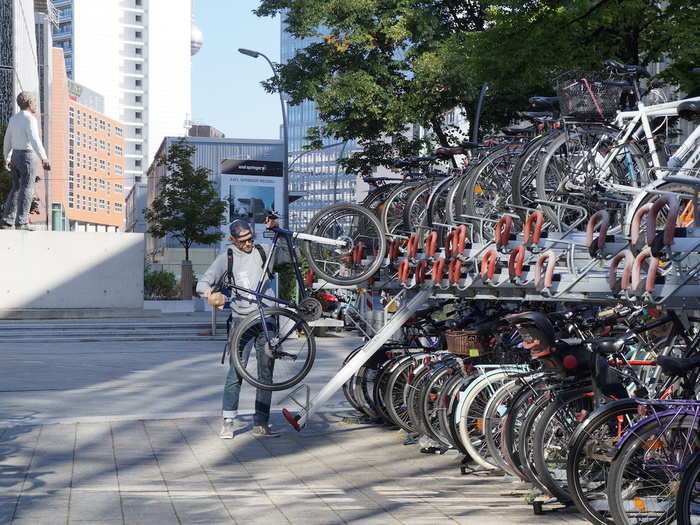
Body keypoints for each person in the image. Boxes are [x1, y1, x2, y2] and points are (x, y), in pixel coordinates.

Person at [197, 216, 290, 439]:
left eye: (250, 239)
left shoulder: (263, 251)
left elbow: (286, 257)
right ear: (232, 240)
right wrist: (209, 294)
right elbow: (203, 282)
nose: (247, 244)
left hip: (267, 320)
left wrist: (279, 231)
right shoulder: (226, 257)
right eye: (242, 241)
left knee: (265, 372)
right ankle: (228, 421)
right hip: (241, 322)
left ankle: (261, 422)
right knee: (236, 371)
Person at [2, 92, 51, 230]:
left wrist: (6, 157)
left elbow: (7, 140)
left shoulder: (13, 119)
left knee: (16, 188)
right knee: (27, 188)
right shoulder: (30, 119)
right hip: (27, 156)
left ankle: (7, 220)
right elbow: (34, 139)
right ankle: (22, 222)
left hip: (15, 156)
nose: (35, 104)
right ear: (29, 103)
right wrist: (44, 157)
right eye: (34, 101)